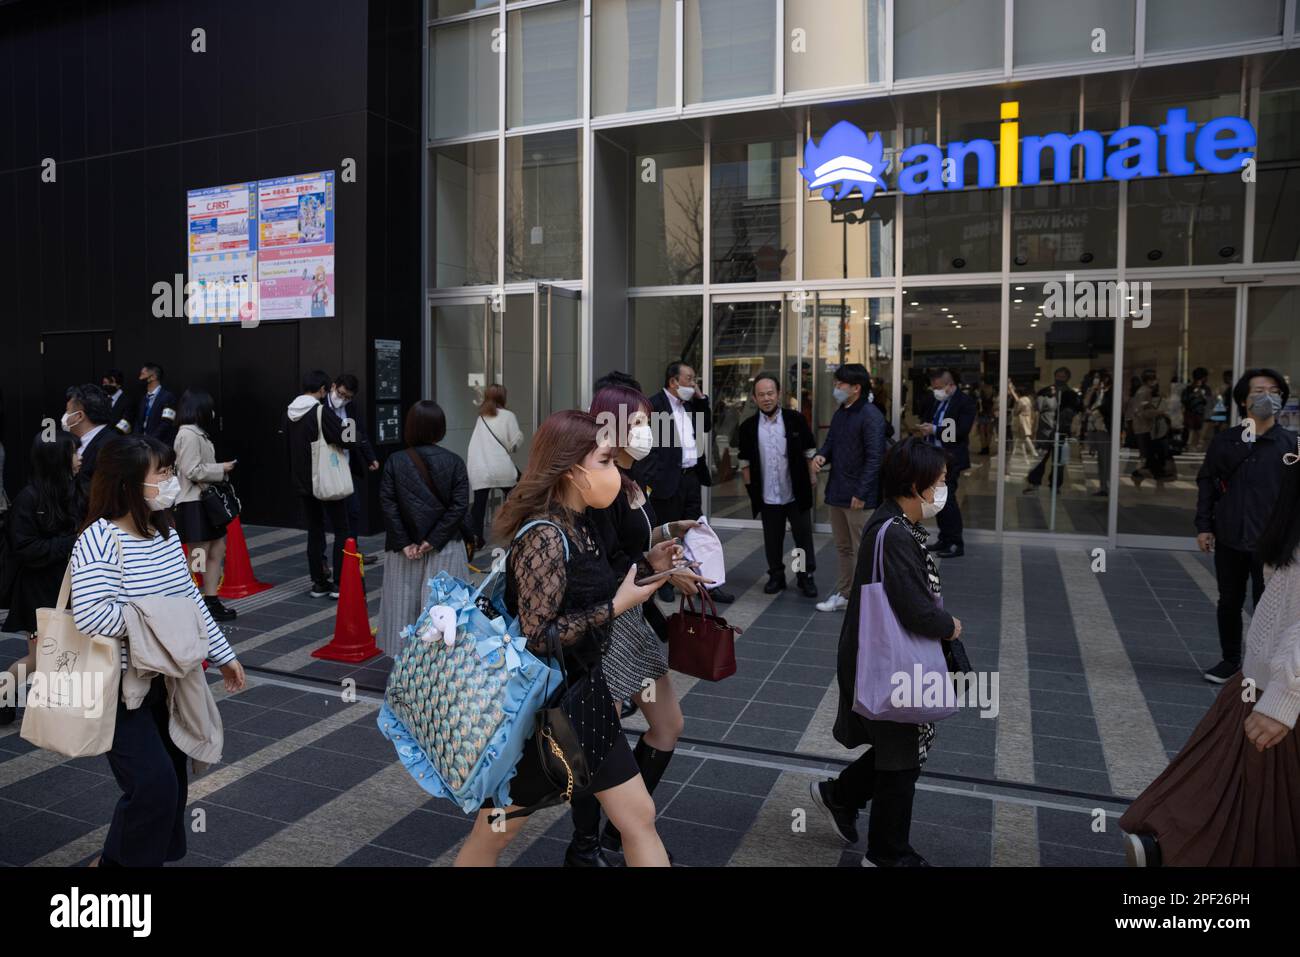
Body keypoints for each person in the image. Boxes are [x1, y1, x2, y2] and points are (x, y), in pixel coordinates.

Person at [454, 410, 669, 867]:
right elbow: (537, 635)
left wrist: (648, 564)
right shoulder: (546, 535)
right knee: (494, 833)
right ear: (573, 469)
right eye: (607, 461)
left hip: (581, 702)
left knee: (638, 817)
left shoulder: (582, 523)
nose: (615, 471)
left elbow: (595, 586)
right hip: (539, 713)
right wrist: (615, 608)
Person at [70, 435, 245, 867]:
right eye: (161, 472)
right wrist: (155, 622)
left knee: (172, 787)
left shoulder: (165, 534)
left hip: (167, 683)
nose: (170, 480)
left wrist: (225, 655)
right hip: (118, 689)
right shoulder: (98, 539)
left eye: (169, 470)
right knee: (153, 787)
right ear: (128, 482)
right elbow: (91, 616)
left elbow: (190, 605)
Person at [1120, 451, 1300, 867]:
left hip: (1268, 690)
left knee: (1242, 793)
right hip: (1268, 690)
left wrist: (1281, 697)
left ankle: (1168, 846)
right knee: (1239, 790)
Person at [564, 384, 708, 866]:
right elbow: (605, 569)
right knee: (594, 743)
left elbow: (631, 546)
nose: (648, 431)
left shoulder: (628, 479)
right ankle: (591, 844)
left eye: (650, 421)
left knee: (664, 726)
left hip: (632, 621)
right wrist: (662, 569)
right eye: (640, 422)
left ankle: (613, 834)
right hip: (607, 628)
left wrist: (667, 539)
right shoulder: (601, 488)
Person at [810, 439, 958, 867]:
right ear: (916, 484)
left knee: (902, 749)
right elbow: (913, 608)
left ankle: (840, 795)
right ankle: (887, 854)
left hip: (881, 654)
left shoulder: (898, 525)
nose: (944, 490)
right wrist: (949, 627)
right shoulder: (893, 533)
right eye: (940, 482)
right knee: (902, 756)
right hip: (887, 659)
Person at [1195, 368, 1296, 684]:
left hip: (1273, 543)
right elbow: (1207, 484)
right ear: (1243, 400)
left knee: (1270, 606)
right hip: (1230, 537)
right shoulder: (1226, 441)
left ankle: (1265, 665)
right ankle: (1230, 661)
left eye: (1274, 390)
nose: (1267, 396)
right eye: (1258, 390)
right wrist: (1204, 526)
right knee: (1229, 601)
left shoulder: (1291, 444)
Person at [375, 400, 471, 659]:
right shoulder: (454, 461)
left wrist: (406, 542)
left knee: (401, 609)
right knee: (445, 609)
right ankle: (441, 663)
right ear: (441, 428)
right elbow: (459, 505)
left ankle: (405, 664)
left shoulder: (395, 461)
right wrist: (433, 539)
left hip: (402, 551)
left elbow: (388, 504)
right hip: (445, 547)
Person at [634, 362, 735, 604]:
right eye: (690, 379)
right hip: (666, 481)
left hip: (691, 477)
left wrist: (701, 398)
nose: (693, 384)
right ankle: (666, 582)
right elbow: (649, 448)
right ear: (673, 381)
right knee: (668, 531)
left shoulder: (691, 404)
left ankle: (708, 581)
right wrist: (653, 480)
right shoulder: (654, 405)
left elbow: (707, 425)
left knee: (696, 530)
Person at [0, 432, 79, 726]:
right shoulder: (29, 498)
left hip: (64, 587)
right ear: (57, 458)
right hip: (37, 593)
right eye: (73, 452)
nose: (79, 458)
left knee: (54, 653)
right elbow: (25, 549)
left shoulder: (71, 490)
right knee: (40, 657)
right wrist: (71, 542)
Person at [812, 363, 886, 613]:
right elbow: (831, 443)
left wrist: (861, 493)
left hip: (860, 498)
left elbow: (875, 458)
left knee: (863, 551)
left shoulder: (871, 415)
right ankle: (845, 594)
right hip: (837, 492)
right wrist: (822, 456)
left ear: (856, 388)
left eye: (840, 383)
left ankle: (868, 601)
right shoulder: (841, 412)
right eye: (836, 382)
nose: (836, 387)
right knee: (844, 548)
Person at [736, 373, 819, 597]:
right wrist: (750, 489)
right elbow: (744, 461)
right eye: (761, 394)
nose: (766, 398)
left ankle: (804, 576)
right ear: (754, 398)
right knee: (772, 539)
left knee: (802, 537)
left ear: (779, 394)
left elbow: (809, 451)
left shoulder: (795, 419)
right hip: (767, 495)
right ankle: (776, 575)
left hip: (795, 492)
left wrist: (811, 476)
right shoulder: (747, 427)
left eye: (770, 393)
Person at [283, 370, 358, 599]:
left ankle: (318, 583)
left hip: (302, 482)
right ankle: (338, 584)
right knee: (341, 528)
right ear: (324, 389)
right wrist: (349, 423)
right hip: (325, 479)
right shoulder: (319, 411)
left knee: (314, 531)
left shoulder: (289, 412)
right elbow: (348, 438)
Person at [173, 389, 238, 623]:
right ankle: (197, 601)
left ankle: (210, 600)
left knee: (215, 550)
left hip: (203, 502)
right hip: (194, 503)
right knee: (199, 554)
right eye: (209, 407)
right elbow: (191, 470)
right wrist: (221, 468)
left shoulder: (196, 433)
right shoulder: (189, 435)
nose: (212, 412)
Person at [915, 369, 975, 558]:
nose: (936, 391)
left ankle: (955, 542)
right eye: (933, 388)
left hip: (951, 459)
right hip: (935, 457)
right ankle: (945, 538)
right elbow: (934, 421)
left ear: (950, 385)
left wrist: (935, 429)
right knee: (937, 500)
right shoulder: (938, 401)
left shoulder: (964, 402)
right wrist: (928, 429)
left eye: (939, 387)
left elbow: (960, 431)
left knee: (947, 500)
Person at [466, 383, 522, 549]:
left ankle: (476, 539)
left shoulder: (481, 417)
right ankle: (514, 532)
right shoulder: (508, 416)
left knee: (479, 505)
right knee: (517, 495)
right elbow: (514, 445)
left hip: (480, 468)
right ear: (503, 397)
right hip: (501, 467)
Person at [327, 374, 379, 545]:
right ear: (333, 386)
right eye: (341, 394)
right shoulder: (321, 406)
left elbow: (360, 433)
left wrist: (370, 457)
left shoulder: (350, 408)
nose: (342, 399)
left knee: (353, 510)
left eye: (348, 397)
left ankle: (353, 554)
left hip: (346, 466)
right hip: (326, 468)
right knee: (324, 516)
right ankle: (324, 560)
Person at [1024, 367, 1080, 494]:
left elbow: (1074, 411)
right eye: (1058, 376)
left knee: (1058, 461)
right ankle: (1034, 482)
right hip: (1045, 431)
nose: (1060, 378)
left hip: (1061, 431)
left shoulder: (1071, 394)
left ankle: (1055, 485)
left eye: (1063, 376)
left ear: (1067, 378)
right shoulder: (1045, 391)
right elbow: (1037, 407)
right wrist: (1045, 396)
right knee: (1040, 458)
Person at [63, 383, 115, 513]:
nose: (64, 417)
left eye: (68, 411)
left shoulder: (111, 448)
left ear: (79, 416)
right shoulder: (71, 443)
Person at [1127, 369, 1165, 485]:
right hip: (1144, 428)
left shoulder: (1142, 391)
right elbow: (1143, 412)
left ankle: (1142, 477)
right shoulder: (1145, 392)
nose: (1156, 382)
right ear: (1149, 380)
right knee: (1148, 456)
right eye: (1154, 379)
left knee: (1147, 456)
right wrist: (1159, 412)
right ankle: (1139, 476)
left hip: (1141, 427)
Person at [1083, 371, 1113, 496]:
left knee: (1106, 459)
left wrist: (1094, 411)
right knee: (1101, 460)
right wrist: (1091, 390)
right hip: (1095, 429)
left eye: (1098, 379)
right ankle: (1103, 486)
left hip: (1104, 429)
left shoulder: (1110, 393)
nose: (1096, 381)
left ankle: (1106, 487)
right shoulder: (1096, 393)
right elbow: (1085, 404)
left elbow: (1106, 408)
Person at [133, 363, 178, 446]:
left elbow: (166, 423)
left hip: (159, 445)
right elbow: (138, 421)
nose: (140, 378)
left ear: (153, 377)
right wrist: (137, 439)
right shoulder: (143, 398)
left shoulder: (168, 397)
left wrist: (150, 440)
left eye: (143, 374)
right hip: (141, 445)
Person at [1182, 367, 1214, 453]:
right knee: (1191, 438)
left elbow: (1209, 403)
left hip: (1202, 418)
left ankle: (1198, 449)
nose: (1206, 379)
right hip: (1192, 418)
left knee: (1201, 439)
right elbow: (1185, 402)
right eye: (1205, 377)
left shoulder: (1206, 389)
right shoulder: (1189, 389)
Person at [1010, 381, 1036, 461]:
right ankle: (1025, 455)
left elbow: (1016, 411)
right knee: (1022, 438)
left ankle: (1033, 451)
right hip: (1027, 418)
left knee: (1024, 437)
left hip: (1021, 419)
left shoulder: (1020, 401)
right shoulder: (1028, 399)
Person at [100, 369, 132, 434]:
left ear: (118, 384)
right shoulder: (102, 398)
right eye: (104, 383)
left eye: (110, 383)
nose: (106, 386)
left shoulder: (127, 401)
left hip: (117, 438)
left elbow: (125, 423)